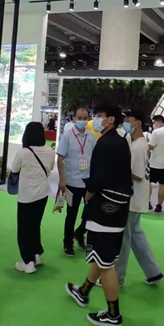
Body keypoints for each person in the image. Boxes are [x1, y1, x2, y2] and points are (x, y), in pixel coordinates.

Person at [66, 103, 132, 326]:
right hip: (119, 207)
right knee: (103, 257)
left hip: (105, 208)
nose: (93, 119)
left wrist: (88, 196)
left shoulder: (105, 143)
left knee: (106, 264)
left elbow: (97, 179)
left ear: (111, 119)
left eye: (98, 115)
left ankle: (113, 314)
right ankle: (83, 291)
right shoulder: (120, 141)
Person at [116, 110, 163, 287]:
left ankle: (117, 278)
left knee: (124, 239)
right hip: (137, 198)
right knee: (136, 235)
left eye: (129, 119)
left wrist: (117, 170)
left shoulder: (137, 147)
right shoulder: (138, 143)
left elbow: (136, 174)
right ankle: (153, 272)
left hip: (132, 198)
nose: (126, 122)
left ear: (138, 123)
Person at [12, 121, 55, 274]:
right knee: (35, 225)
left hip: (26, 196)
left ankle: (28, 262)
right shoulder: (50, 151)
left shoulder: (23, 152)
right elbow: (50, 167)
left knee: (24, 229)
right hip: (43, 194)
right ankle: (37, 255)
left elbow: (14, 169)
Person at [57, 108, 96, 257]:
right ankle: (67, 243)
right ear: (73, 119)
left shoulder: (91, 136)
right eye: (79, 117)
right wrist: (62, 179)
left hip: (88, 181)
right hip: (72, 181)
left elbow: (95, 157)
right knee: (71, 214)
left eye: (85, 118)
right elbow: (60, 158)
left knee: (90, 213)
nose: (82, 120)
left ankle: (80, 232)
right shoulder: (67, 136)